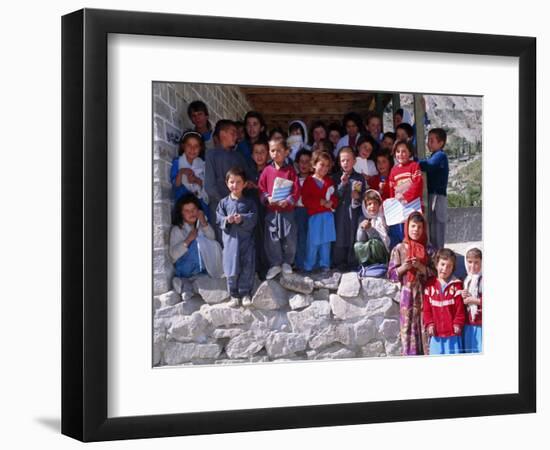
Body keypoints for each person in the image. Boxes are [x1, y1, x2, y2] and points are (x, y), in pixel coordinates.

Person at [388, 212, 434, 356]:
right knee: (407, 329)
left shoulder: (429, 249)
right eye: (413, 226)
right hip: (407, 296)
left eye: (420, 227)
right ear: (407, 227)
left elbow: (436, 274)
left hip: (424, 295)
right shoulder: (399, 249)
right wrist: (404, 268)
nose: (416, 230)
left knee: (424, 326)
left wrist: (421, 267)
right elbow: (391, 275)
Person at [258, 137, 300, 279]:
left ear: (286, 152)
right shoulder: (266, 171)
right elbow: (261, 188)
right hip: (272, 211)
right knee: (272, 238)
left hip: (287, 211)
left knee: (289, 237)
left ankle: (288, 262)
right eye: (272, 150)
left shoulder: (290, 171)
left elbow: (296, 189)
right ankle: (275, 263)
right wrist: (267, 198)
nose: (275, 154)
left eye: (279, 150)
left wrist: (288, 201)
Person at [205, 120, 253, 242]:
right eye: (233, 132)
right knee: (223, 245)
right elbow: (209, 186)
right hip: (219, 208)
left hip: (238, 209)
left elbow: (247, 179)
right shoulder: (211, 155)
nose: (236, 136)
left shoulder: (239, 156)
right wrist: (226, 204)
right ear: (222, 134)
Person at [216, 167, 258, 307]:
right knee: (231, 268)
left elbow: (254, 218)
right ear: (227, 183)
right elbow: (218, 218)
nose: (235, 185)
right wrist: (227, 220)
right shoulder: (223, 203)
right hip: (230, 243)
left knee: (247, 266)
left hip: (246, 242)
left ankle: (245, 293)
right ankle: (233, 295)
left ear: (245, 184)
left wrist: (242, 218)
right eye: (232, 182)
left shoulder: (249, 202)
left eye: (239, 182)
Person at [169, 194, 223, 280]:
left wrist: (204, 222)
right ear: (181, 213)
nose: (191, 213)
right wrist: (188, 240)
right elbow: (173, 255)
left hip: (201, 266)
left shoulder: (201, 224)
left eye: (194, 209)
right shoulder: (177, 229)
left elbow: (212, 239)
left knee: (214, 244)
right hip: (185, 267)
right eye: (187, 211)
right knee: (196, 243)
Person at [301, 152, 339, 272]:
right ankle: (309, 265)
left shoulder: (329, 181)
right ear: (314, 165)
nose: (324, 168)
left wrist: (332, 202)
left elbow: (335, 197)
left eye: (327, 166)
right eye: (321, 164)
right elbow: (305, 199)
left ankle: (325, 264)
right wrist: (320, 202)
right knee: (313, 241)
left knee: (326, 242)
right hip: (315, 216)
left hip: (328, 216)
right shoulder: (308, 181)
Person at [423, 248, 465, 355]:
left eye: (449, 266)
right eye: (442, 264)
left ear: (453, 268)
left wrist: (457, 323)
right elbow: (427, 310)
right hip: (436, 334)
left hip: (453, 334)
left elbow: (460, 309)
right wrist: (430, 324)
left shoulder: (457, 286)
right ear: (437, 264)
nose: (445, 268)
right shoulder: (429, 286)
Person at [332, 147, 365, 270]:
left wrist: (359, 196)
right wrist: (342, 184)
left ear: (354, 161)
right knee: (339, 235)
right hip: (340, 212)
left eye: (348, 160)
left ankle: (352, 262)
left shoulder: (359, 178)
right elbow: (335, 196)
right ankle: (339, 262)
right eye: (342, 160)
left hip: (354, 212)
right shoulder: (335, 177)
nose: (345, 163)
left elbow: (364, 197)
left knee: (352, 235)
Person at [388, 140, 424, 244]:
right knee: (401, 234)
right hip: (400, 208)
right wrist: (393, 204)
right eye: (398, 151)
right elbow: (391, 190)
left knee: (414, 232)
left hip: (413, 206)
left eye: (404, 151)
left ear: (410, 152)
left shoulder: (414, 166)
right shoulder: (393, 170)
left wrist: (405, 197)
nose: (400, 154)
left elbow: (418, 185)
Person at [419, 128, 449, 250]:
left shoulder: (440, 156)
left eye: (432, 140)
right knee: (431, 228)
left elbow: (428, 166)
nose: (428, 143)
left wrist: (413, 162)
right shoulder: (433, 156)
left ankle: (440, 254)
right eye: (428, 140)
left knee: (437, 227)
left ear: (441, 143)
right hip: (432, 196)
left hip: (438, 197)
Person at [246, 140, 270, 279]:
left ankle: (266, 268)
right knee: (254, 239)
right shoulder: (248, 171)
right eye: (256, 152)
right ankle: (255, 267)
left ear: (267, 154)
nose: (259, 156)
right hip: (252, 211)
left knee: (266, 239)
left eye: (263, 152)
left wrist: (257, 188)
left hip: (267, 210)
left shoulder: (271, 170)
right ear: (252, 155)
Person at [354, 190, 390, 278]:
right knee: (357, 245)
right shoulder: (363, 218)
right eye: (369, 204)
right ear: (365, 206)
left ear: (379, 205)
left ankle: (380, 264)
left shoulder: (383, 219)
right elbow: (360, 240)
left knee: (375, 243)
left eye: (375, 203)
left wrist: (370, 229)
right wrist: (362, 228)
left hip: (382, 251)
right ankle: (367, 265)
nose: (372, 206)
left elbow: (383, 240)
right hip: (369, 252)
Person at [171, 131, 208, 204]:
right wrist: (181, 172)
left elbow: (207, 186)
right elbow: (176, 185)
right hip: (183, 201)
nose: (192, 149)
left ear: (200, 148)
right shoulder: (177, 162)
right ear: (183, 146)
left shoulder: (203, 164)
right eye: (189, 145)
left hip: (200, 202)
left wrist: (196, 180)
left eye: (196, 146)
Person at [294, 149, 313, 271]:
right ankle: (299, 264)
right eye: (301, 162)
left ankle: (311, 264)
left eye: (307, 162)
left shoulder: (314, 179)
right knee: (299, 237)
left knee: (310, 237)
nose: (304, 165)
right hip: (297, 210)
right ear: (297, 164)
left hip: (311, 212)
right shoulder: (293, 179)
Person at [461, 246, 483, 353]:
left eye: (476, 262)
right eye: (469, 262)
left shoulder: (483, 279)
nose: (472, 266)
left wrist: (472, 300)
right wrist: (463, 294)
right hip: (468, 324)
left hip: (480, 324)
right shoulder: (466, 279)